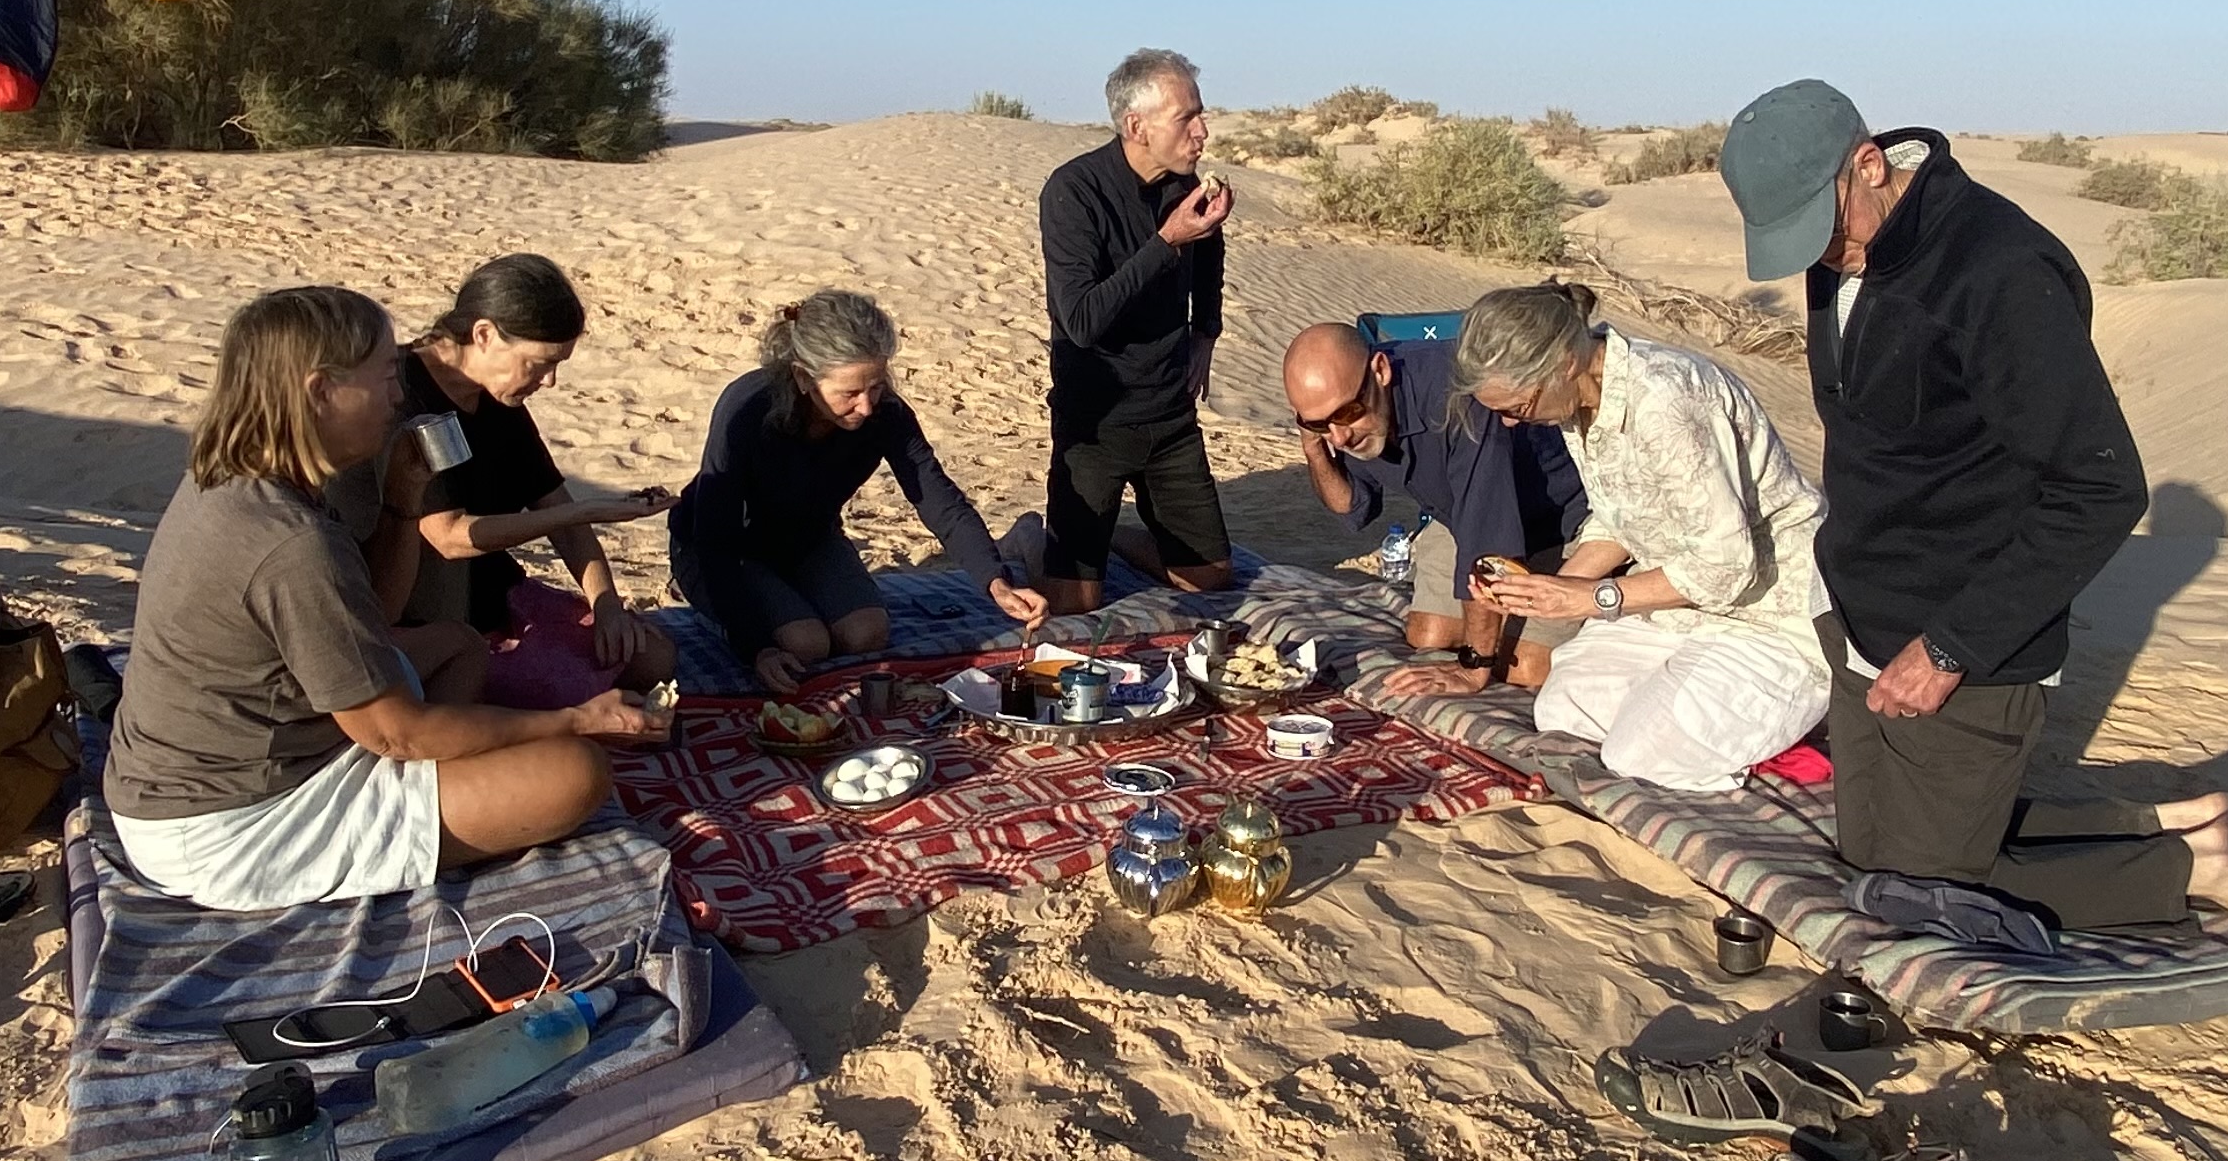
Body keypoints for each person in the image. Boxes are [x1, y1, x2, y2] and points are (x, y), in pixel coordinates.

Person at [1721, 79, 2228, 926]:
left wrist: (1951, 649)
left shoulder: (1999, 272)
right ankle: (2181, 822)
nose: (1818, 256)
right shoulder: (1846, 248)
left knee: (1921, 896)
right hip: (1860, 615)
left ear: (1870, 165)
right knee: (1872, 857)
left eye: (1821, 230)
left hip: (1964, 640)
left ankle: (2192, 867)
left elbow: (2100, 487)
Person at [105, 285, 658, 912]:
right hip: (228, 824)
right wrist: (575, 720)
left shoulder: (245, 477)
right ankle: (421, 800)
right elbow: (397, 734)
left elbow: (378, 616)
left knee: (456, 647)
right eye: (386, 376)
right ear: (320, 391)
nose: (398, 396)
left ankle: (430, 790)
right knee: (574, 774)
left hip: (233, 760)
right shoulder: (288, 544)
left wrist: (402, 500)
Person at [1451, 283, 1833, 792]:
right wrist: (1542, 593)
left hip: (1767, 617)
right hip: (1675, 608)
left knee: (1640, 755)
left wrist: (1592, 597)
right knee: (1564, 708)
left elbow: (1726, 565)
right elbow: (1620, 521)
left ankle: (1779, 729)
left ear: (1563, 363)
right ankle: (1722, 723)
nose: (1508, 422)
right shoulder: (1580, 399)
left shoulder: (1666, 402)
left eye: (1516, 407)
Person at [669, 289, 1053, 691]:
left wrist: (996, 581)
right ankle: (705, 604)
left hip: (807, 539)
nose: (867, 406)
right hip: (724, 547)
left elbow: (938, 498)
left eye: (875, 386)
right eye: (850, 393)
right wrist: (756, 647)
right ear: (803, 377)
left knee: (865, 633)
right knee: (806, 644)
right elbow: (714, 533)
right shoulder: (747, 410)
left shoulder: (885, 414)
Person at [355, 254, 679, 711]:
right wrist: (589, 510)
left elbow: (561, 518)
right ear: (484, 334)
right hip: (422, 617)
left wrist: (606, 604)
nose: (548, 382)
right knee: (573, 713)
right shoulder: (404, 394)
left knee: (651, 656)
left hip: (496, 596)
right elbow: (450, 536)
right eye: (538, 364)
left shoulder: (497, 402)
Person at [1278, 319, 1590, 695]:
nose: (1340, 436)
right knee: (1429, 634)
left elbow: (1487, 546)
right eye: (1318, 423)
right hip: (1458, 515)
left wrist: (1474, 664)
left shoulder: (1458, 404)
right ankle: (1509, 614)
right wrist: (1314, 448)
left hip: (1558, 518)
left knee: (1522, 665)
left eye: (1346, 414)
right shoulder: (1350, 415)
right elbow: (1351, 507)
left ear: (1380, 370)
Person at [1033, 47, 1237, 615]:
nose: (1202, 131)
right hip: (1095, 421)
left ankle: (1113, 538)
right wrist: (1165, 242)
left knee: (1210, 577)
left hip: (1170, 414)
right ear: (1135, 126)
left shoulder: (1185, 183)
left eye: (1201, 113)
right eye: (1186, 119)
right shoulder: (1073, 192)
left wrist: (1206, 333)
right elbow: (1081, 321)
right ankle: (1038, 539)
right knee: (1074, 603)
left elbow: (1211, 254)